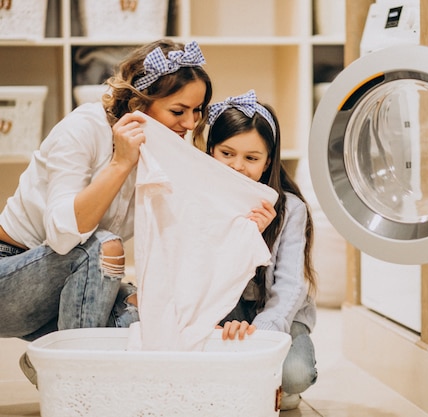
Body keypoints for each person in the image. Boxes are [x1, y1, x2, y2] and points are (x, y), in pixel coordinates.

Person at [0, 39, 215, 386]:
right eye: (179, 111)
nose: (191, 123)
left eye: (198, 110)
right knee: (101, 246)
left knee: (138, 323)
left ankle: (52, 366)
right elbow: (63, 236)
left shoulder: (163, 151)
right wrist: (120, 163)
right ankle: (70, 386)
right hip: (10, 273)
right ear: (138, 104)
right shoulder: (84, 128)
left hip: (71, 281)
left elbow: (179, 237)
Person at [205, 90, 318, 411]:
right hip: (223, 310)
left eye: (251, 158)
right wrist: (245, 237)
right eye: (227, 153)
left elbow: (291, 285)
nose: (237, 166)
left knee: (295, 374)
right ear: (210, 150)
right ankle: (255, 384)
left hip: (278, 314)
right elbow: (201, 276)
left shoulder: (290, 209)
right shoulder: (201, 202)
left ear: (268, 161)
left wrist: (262, 332)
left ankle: (275, 386)